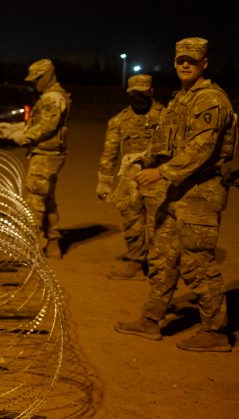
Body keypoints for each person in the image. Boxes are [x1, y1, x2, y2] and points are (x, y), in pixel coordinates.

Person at [114, 37, 237, 352]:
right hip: (175, 192)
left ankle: (215, 332)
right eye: (180, 59)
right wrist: (145, 156)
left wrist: (161, 172)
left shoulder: (210, 100)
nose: (185, 65)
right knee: (162, 257)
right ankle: (151, 320)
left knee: (197, 262)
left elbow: (202, 148)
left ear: (204, 63)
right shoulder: (181, 99)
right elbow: (167, 140)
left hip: (199, 193)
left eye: (191, 61)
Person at [0, 58, 70, 259]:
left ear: (47, 76)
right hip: (49, 154)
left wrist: (24, 137)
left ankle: (30, 248)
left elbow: (47, 127)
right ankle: (54, 243)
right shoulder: (52, 96)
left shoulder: (51, 98)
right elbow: (38, 124)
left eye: (36, 79)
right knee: (48, 200)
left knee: (34, 200)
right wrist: (13, 129)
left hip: (46, 155)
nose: (34, 84)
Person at [96, 74, 164, 280]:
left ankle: (158, 268)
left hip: (158, 180)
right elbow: (110, 152)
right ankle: (135, 262)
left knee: (158, 226)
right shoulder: (119, 121)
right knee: (132, 223)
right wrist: (104, 181)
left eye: (143, 94)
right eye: (134, 94)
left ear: (151, 93)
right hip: (129, 183)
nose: (139, 98)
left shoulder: (166, 116)